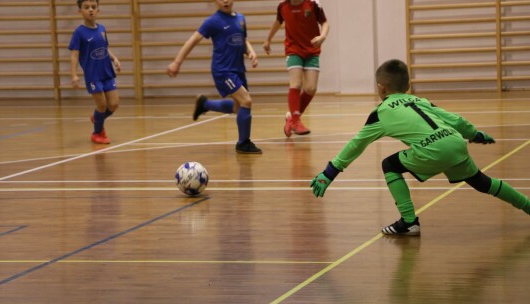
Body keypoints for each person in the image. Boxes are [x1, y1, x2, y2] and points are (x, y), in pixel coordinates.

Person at [310, 59, 530, 236]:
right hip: (455, 142)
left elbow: (357, 144)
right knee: (482, 182)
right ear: (407, 86)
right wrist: (475, 135)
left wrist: (330, 172)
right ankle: (527, 205)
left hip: (431, 149)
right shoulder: (420, 100)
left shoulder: (381, 112)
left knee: (390, 165)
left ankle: (408, 222)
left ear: (381, 87)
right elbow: (454, 119)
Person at [166, 0, 262, 154]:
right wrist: (177, 62)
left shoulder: (241, 18)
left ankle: (205, 104)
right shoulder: (213, 21)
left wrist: (251, 51)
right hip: (223, 70)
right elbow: (193, 40)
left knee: (238, 107)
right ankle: (243, 143)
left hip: (238, 69)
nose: (225, 0)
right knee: (246, 101)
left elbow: (242, 40)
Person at [263, 0, 329, 137]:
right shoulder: (283, 6)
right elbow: (278, 22)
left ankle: (291, 119)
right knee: (296, 83)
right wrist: (268, 39)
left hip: (312, 51)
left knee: (311, 88)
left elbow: (325, 22)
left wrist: (322, 36)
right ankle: (296, 121)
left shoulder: (313, 4)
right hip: (293, 50)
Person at [69, 0, 121, 144]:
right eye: (86, 7)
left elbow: (105, 48)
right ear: (80, 11)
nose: (90, 10)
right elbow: (74, 55)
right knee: (102, 105)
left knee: (114, 104)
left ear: (98, 10)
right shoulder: (79, 32)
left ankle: (97, 117)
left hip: (107, 72)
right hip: (93, 75)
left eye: (93, 7)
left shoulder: (102, 28)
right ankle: (97, 133)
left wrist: (114, 58)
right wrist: (74, 74)